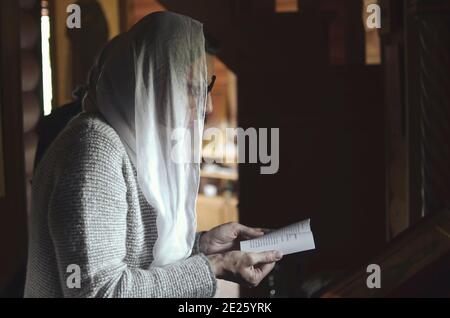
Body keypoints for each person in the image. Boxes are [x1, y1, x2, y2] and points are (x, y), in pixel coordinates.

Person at [24, 11, 282, 298]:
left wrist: (203, 245)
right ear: (148, 84)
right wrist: (213, 266)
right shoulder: (93, 152)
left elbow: (132, 256)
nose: (207, 107)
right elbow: (101, 292)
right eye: (193, 88)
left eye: (206, 86)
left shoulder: (128, 142)